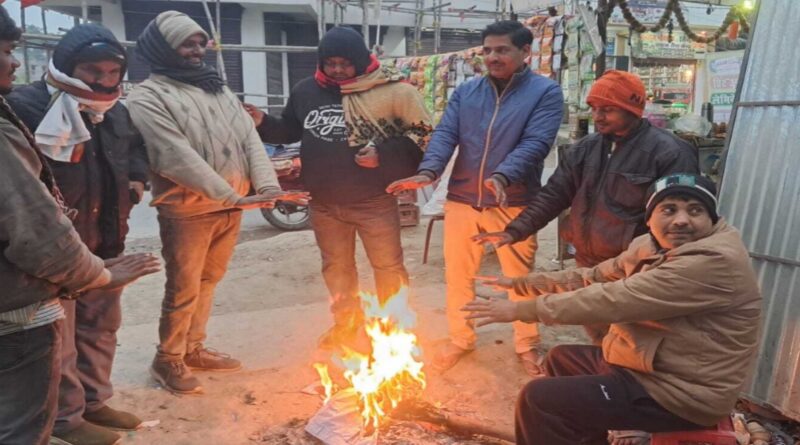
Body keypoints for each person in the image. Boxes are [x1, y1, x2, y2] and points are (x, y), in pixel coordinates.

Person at [463, 173, 762, 445]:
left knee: (538, 400)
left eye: (695, 211)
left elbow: (613, 299)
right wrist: (521, 283)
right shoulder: (652, 245)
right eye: (669, 210)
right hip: (653, 368)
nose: (681, 220)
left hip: (682, 394)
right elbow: (596, 277)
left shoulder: (712, 261)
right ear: (650, 218)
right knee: (561, 359)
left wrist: (521, 310)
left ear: (712, 219)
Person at [0, 7, 160, 445]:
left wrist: (136, 181)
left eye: (113, 71)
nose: (104, 81)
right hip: (59, 255)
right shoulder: (27, 107)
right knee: (62, 339)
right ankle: (68, 419)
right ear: (67, 66)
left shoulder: (116, 110)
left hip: (106, 239)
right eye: (93, 71)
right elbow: (24, 198)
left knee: (100, 328)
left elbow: (135, 149)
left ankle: (95, 400)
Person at [127, 11, 304, 395]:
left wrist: (267, 189)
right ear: (162, 48)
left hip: (232, 207)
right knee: (184, 288)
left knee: (209, 281)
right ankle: (167, 358)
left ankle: (193, 348)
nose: (196, 51)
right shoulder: (147, 97)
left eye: (199, 43)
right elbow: (173, 155)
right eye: (185, 44)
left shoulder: (218, 89)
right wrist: (233, 196)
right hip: (188, 210)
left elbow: (250, 140)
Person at [386, 20, 563, 376]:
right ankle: (461, 339)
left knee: (519, 279)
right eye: (487, 50)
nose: (492, 57)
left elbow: (537, 142)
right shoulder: (467, 92)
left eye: (502, 50)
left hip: (513, 202)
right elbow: (445, 134)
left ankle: (526, 343)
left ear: (525, 52)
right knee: (458, 276)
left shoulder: (545, 92)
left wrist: (503, 175)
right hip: (463, 199)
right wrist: (429, 171)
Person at [473, 69, 700, 344]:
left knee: (632, 340)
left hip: (634, 269)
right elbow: (554, 194)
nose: (598, 116)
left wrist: (657, 265)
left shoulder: (670, 152)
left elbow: (679, 219)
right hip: (588, 264)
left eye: (607, 109)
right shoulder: (585, 149)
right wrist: (515, 230)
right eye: (594, 108)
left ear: (632, 109)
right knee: (597, 332)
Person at [247, 26, 432, 349]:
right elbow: (290, 130)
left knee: (388, 267)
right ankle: (347, 326)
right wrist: (264, 122)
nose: (336, 70)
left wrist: (383, 155)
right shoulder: (307, 91)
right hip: (324, 204)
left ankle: (393, 331)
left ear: (360, 60)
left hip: (374, 201)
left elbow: (424, 135)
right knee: (336, 269)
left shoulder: (391, 90)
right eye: (329, 63)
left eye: (345, 63)